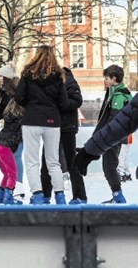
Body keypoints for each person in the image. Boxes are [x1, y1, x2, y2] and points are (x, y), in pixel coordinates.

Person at [14, 45, 69, 205]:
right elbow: (64, 103)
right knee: (53, 161)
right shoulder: (58, 76)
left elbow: (19, 97)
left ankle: (37, 194)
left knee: (32, 161)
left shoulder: (27, 74)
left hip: (31, 120)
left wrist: (30, 104)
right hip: (52, 121)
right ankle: (60, 195)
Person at [40, 66, 87, 204]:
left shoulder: (70, 82)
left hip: (67, 127)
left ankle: (79, 195)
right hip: (52, 125)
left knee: (71, 160)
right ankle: (45, 194)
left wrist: (62, 104)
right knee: (46, 160)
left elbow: (77, 101)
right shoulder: (50, 84)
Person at [91, 65, 131, 203]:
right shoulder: (113, 92)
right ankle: (117, 195)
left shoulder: (119, 95)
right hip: (111, 136)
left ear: (114, 78)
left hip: (113, 137)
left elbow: (114, 120)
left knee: (109, 167)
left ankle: (119, 196)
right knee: (108, 167)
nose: (105, 81)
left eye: (107, 78)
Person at [0, 97, 23, 205]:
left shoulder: (8, 117)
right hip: (6, 147)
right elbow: (20, 135)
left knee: (6, 174)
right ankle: (8, 198)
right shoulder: (20, 120)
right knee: (12, 174)